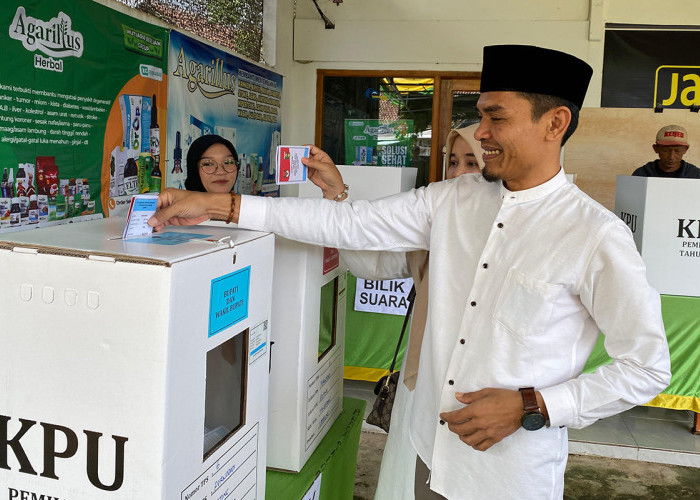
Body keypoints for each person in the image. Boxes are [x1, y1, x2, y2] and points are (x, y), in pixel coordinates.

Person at [150, 45, 671, 498]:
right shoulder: (453, 200)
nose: (481, 132)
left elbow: (647, 367)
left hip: (507, 474)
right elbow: (352, 225)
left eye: (497, 118)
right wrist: (220, 207)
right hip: (428, 452)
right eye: (480, 116)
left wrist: (534, 404)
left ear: (554, 123)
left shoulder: (594, 235)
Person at [342, 124, 485, 500]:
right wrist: (336, 196)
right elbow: (373, 264)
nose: (457, 173)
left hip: (485, 387)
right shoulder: (432, 224)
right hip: (424, 376)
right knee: (412, 478)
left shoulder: (516, 233)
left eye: (472, 161)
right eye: (452, 162)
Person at [632, 125, 700, 178]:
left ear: (685, 149)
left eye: (677, 151)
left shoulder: (695, 175)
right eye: (666, 150)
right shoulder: (641, 174)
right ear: (656, 148)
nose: (671, 157)